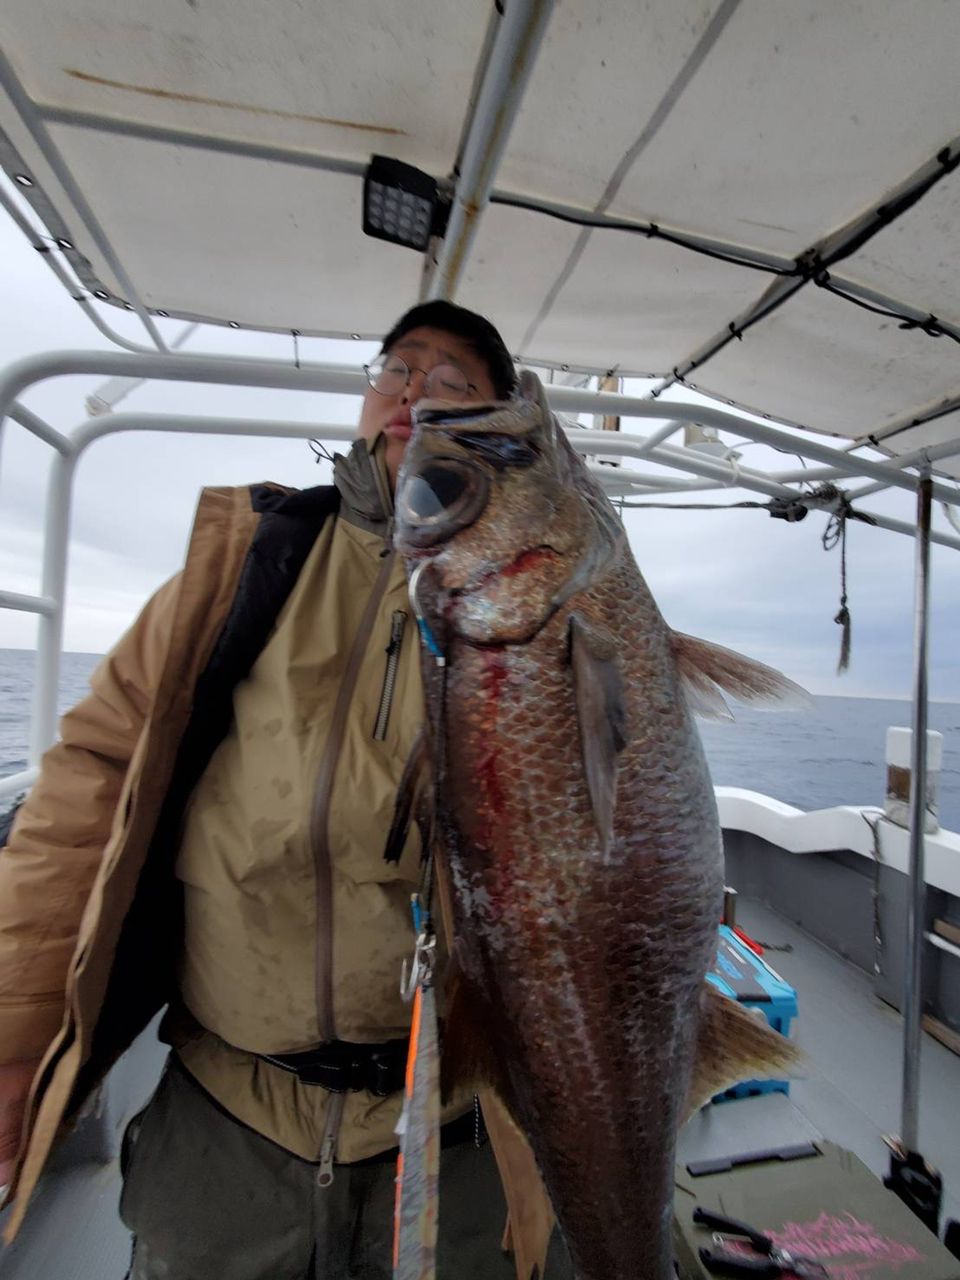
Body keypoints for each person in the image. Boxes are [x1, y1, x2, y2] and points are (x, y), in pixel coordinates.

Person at [0, 301, 570, 1279]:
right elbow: (88, 786)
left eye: (453, 385)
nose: (415, 395)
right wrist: (16, 1036)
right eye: (398, 369)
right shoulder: (244, 562)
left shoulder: (541, 600)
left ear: (501, 427)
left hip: (455, 1128)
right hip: (223, 1117)